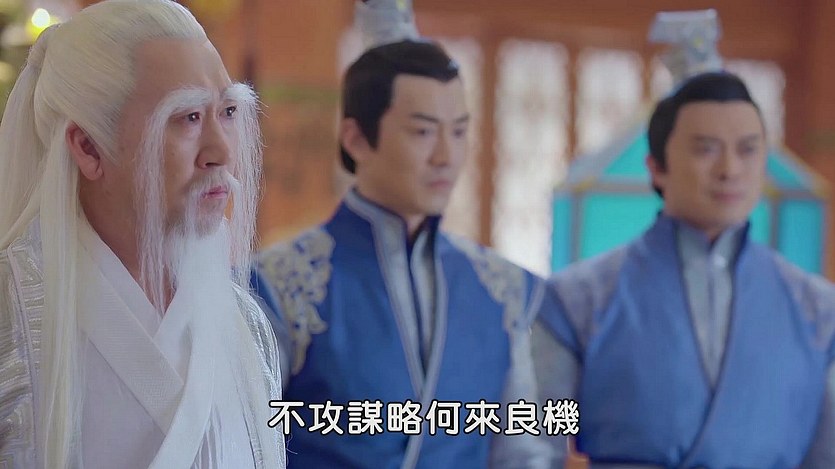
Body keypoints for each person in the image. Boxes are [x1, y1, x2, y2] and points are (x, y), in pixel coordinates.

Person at [0, 1, 285, 467]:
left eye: (228, 111)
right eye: (189, 117)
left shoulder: (244, 324)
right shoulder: (11, 316)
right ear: (89, 148)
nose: (221, 152)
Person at [251, 36, 553, 468]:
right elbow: (246, 446)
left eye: (459, 131)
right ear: (356, 139)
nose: (446, 156)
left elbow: (521, 450)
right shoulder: (280, 284)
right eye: (423, 131)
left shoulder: (501, 287)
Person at [534, 71, 835, 468]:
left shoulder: (818, 308)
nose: (730, 169)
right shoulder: (577, 299)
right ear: (657, 167)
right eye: (706, 149)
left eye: (747, 150)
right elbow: (532, 443)